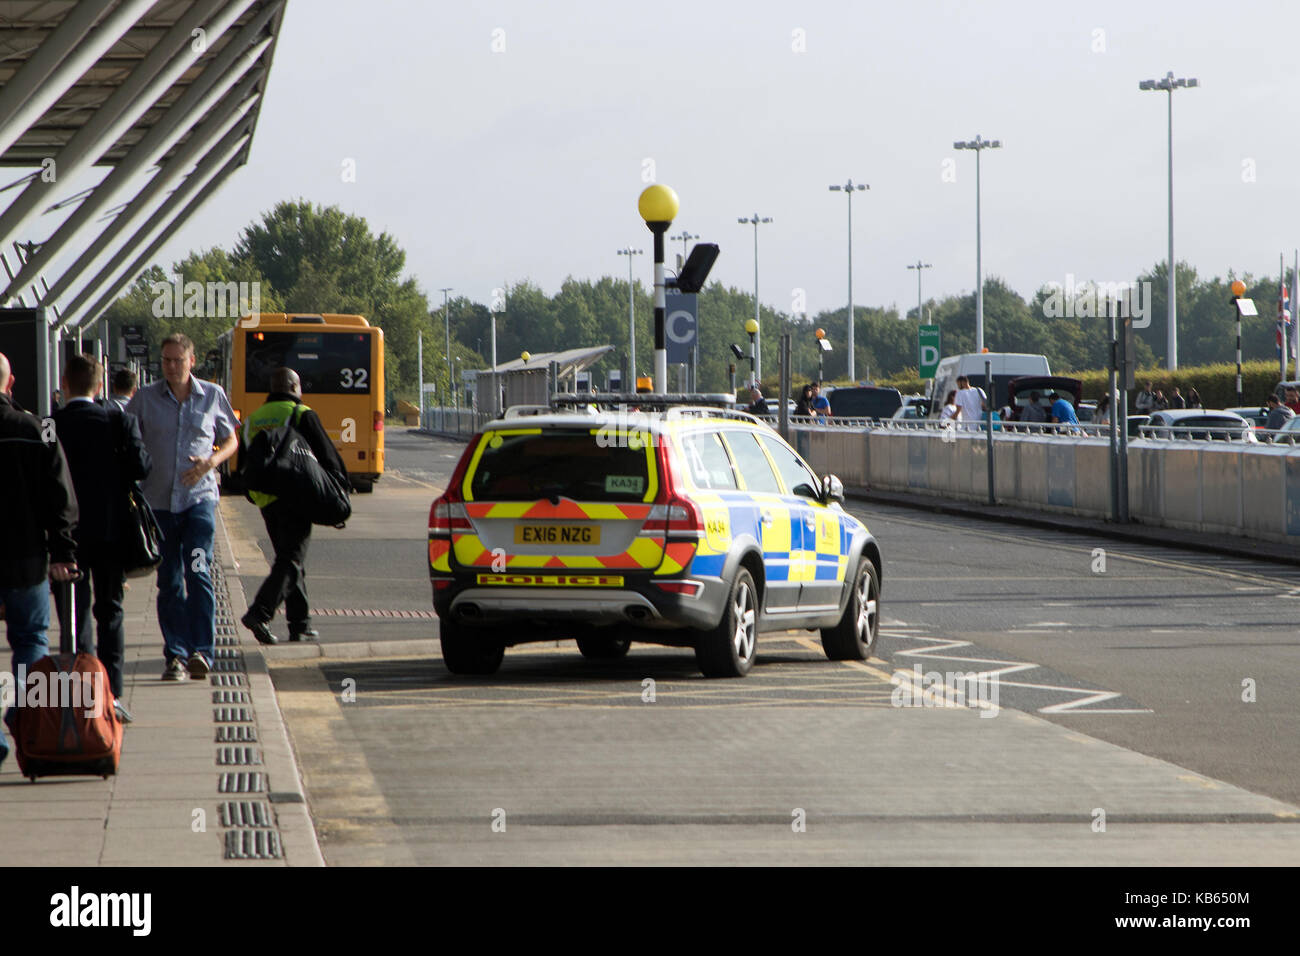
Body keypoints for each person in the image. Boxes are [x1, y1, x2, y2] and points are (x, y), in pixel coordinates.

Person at [126, 333, 239, 681]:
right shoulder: (144, 399)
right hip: (159, 505)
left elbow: (232, 438)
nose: (171, 367)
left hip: (198, 502)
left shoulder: (212, 396)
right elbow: (126, 439)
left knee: (199, 572)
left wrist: (212, 461)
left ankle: (202, 652)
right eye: (166, 360)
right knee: (170, 581)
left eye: (178, 360)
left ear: (192, 361)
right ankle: (175, 653)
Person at [51, 355, 151, 723]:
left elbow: (41, 471)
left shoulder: (50, 424)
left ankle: (83, 693)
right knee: (111, 611)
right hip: (111, 531)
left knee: (73, 617)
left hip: (67, 536)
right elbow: (142, 467)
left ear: (65, 382)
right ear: (99, 385)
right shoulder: (118, 420)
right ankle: (113, 693)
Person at [0, 352, 79, 767]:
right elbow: (61, 497)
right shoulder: (40, 427)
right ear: (10, 384)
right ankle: (25, 716)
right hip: (29, 558)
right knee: (31, 639)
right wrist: (63, 551)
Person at [240, 367, 348, 644]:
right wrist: (339, 488)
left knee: (289, 558)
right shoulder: (301, 414)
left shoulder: (253, 420)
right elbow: (326, 453)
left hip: (266, 500)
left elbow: (244, 465)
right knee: (291, 560)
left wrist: (254, 495)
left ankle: (299, 623)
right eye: (299, 386)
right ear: (293, 387)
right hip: (296, 497)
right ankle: (260, 613)